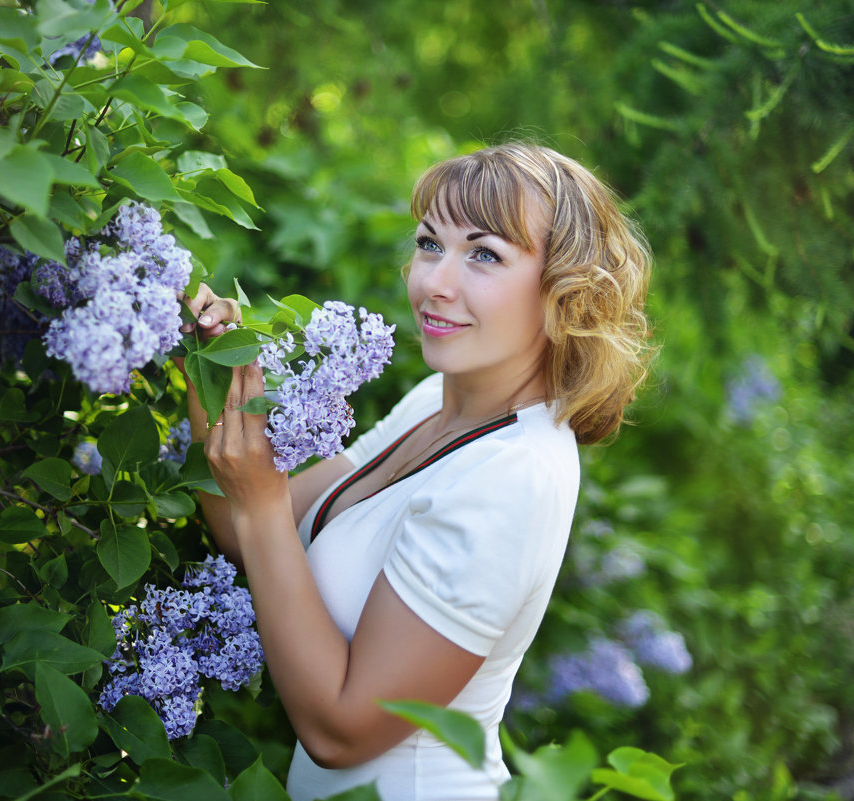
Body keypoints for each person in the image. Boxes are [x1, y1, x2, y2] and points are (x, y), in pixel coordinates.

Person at [177, 142, 652, 801]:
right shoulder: (435, 402)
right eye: (431, 243)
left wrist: (259, 505)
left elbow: (342, 731)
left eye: (484, 253)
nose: (435, 281)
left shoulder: (514, 474)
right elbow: (247, 527)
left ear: (563, 290)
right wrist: (209, 370)